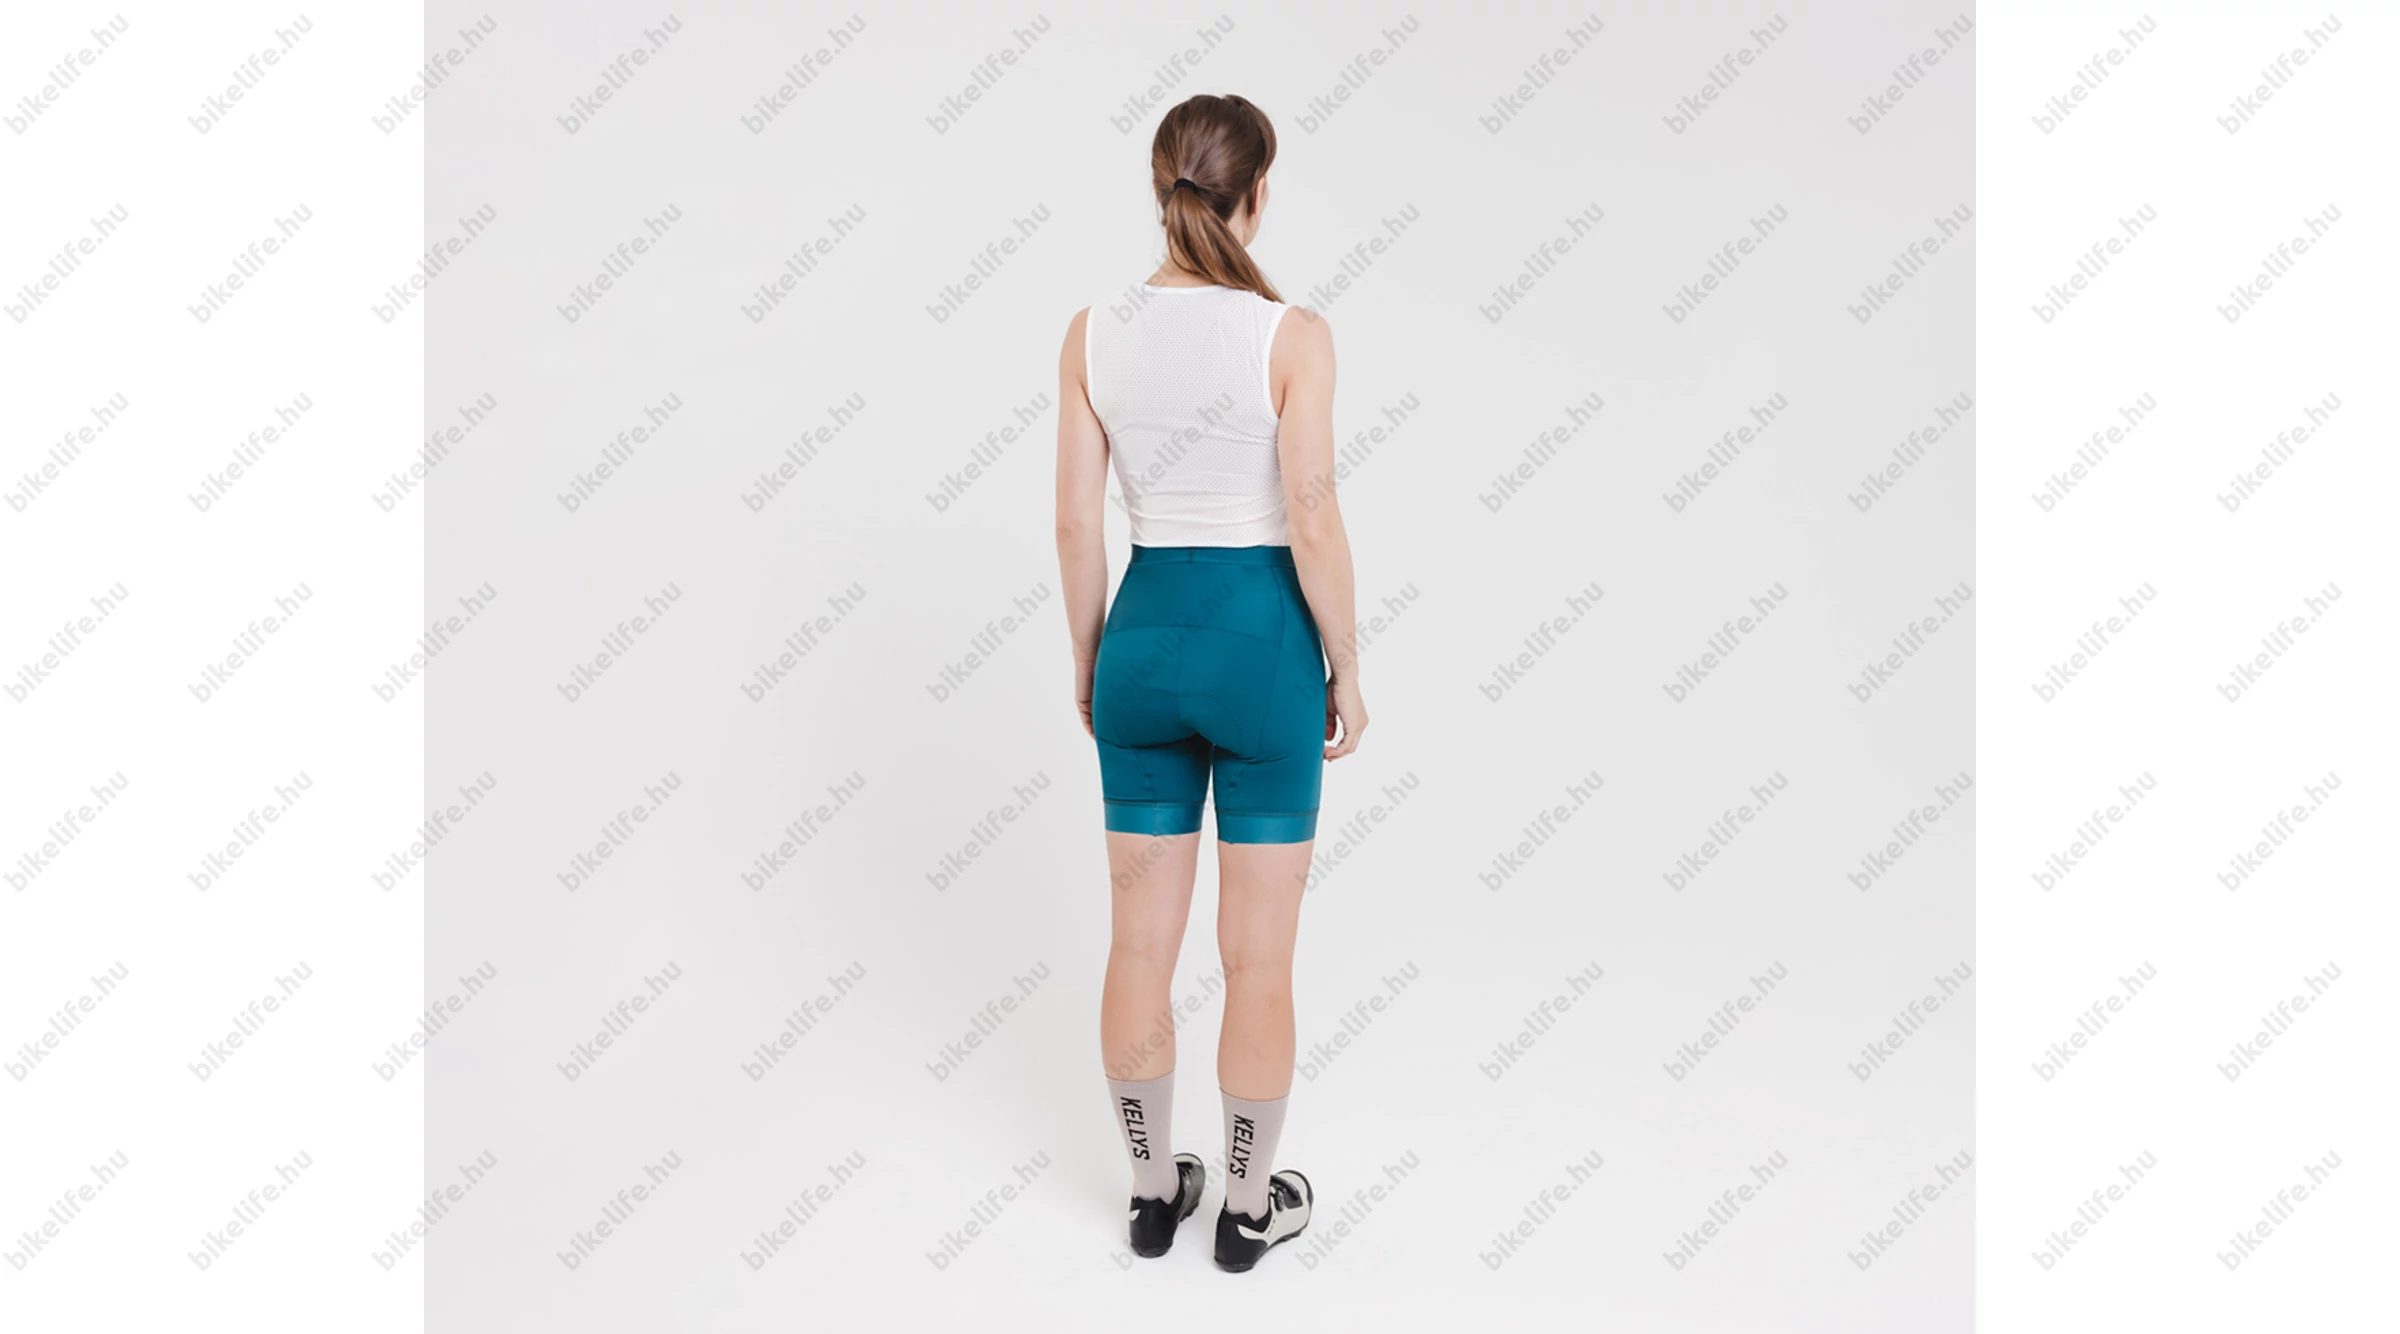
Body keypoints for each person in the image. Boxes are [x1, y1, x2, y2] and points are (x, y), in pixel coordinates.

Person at [1054, 92, 1367, 1272]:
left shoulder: (1092, 332)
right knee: (1259, 956)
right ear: (1257, 193)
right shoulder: (1292, 335)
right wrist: (1347, 662)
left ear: (1160, 188)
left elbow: (1074, 523)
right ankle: (1244, 1208)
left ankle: (1151, 1191)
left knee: (1138, 945)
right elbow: (1314, 520)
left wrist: (1091, 658)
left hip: (1141, 641)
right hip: (1261, 648)